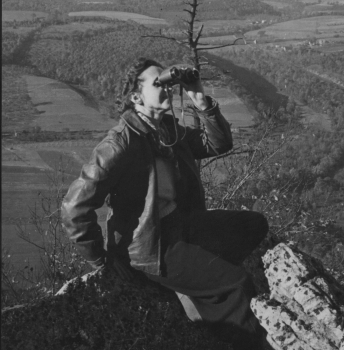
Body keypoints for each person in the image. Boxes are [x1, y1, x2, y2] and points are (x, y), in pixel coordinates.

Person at [61, 57, 269, 349]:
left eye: (168, 83)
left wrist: (200, 99)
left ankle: (201, 289)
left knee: (254, 225)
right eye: (159, 84)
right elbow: (74, 207)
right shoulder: (119, 144)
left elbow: (218, 144)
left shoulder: (166, 128)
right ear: (136, 97)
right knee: (234, 283)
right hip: (151, 245)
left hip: (181, 225)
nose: (168, 90)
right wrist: (101, 261)